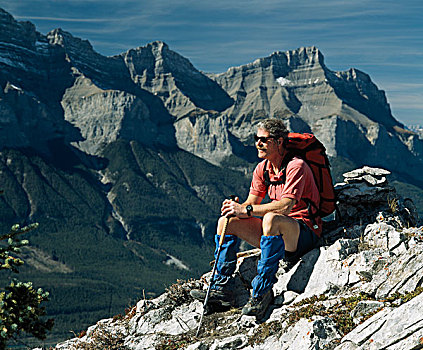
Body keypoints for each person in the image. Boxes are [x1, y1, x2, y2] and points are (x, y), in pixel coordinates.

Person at [191, 118, 321, 319]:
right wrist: (236, 208)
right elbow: (251, 203)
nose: (257, 143)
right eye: (256, 139)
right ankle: (221, 289)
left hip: (304, 232)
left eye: (263, 139)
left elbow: (286, 206)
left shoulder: (297, 166)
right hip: (278, 233)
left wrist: (247, 210)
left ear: (279, 142)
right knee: (226, 222)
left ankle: (262, 292)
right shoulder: (262, 169)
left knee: (271, 218)